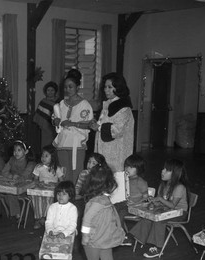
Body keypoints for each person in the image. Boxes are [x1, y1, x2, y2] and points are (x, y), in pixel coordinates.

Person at [80, 163, 126, 260]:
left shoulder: (105, 199)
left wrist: (118, 230)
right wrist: (85, 236)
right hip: (93, 240)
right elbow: (86, 219)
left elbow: (112, 216)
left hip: (106, 238)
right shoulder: (97, 202)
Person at [129, 158, 189, 259]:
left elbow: (173, 205)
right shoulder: (163, 185)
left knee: (159, 220)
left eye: (167, 170)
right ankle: (133, 237)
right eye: (163, 169)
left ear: (175, 173)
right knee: (149, 217)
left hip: (180, 213)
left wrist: (160, 199)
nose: (162, 171)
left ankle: (157, 247)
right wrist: (153, 202)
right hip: (167, 210)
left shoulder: (179, 187)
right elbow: (160, 201)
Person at [90, 72, 134, 203]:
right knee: (103, 180)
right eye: (105, 87)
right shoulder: (107, 105)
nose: (106, 90)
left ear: (118, 88)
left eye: (110, 87)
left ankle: (116, 211)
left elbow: (116, 130)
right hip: (104, 149)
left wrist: (98, 127)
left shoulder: (123, 108)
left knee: (116, 185)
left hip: (117, 152)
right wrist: (95, 124)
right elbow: (103, 124)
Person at [52, 69, 93, 183]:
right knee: (63, 170)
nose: (67, 90)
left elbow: (89, 125)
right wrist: (55, 120)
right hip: (63, 142)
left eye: (71, 87)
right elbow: (55, 118)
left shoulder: (85, 105)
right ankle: (65, 194)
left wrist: (72, 124)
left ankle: (77, 195)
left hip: (76, 144)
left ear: (77, 87)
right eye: (65, 87)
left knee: (77, 171)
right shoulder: (61, 104)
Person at [0, 140, 35, 222]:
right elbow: (4, 171)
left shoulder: (30, 163)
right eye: (14, 150)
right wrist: (11, 176)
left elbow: (25, 176)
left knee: (10, 193)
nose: (16, 152)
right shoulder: (12, 159)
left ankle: (18, 216)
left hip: (24, 187)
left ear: (26, 151)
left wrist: (16, 179)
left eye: (19, 150)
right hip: (11, 183)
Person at [115, 154, 149, 242]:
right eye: (126, 166)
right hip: (123, 204)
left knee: (119, 214)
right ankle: (115, 233)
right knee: (112, 210)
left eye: (131, 167)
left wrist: (135, 203)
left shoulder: (141, 182)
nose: (127, 169)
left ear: (139, 169)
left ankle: (121, 235)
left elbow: (146, 199)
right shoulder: (123, 179)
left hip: (134, 207)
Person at [31, 145, 65, 229]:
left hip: (51, 191)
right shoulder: (39, 167)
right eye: (42, 155)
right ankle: (38, 218)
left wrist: (54, 184)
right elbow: (35, 180)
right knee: (36, 198)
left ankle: (46, 218)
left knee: (49, 200)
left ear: (52, 157)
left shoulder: (57, 168)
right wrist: (39, 183)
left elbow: (62, 181)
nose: (43, 158)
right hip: (41, 190)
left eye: (46, 156)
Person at [33, 81, 59, 147]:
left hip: (55, 128)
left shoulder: (59, 102)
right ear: (45, 91)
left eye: (52, 90)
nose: (50, 92)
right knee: (45, 144)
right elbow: (38, 115)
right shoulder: (43, 101)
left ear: (55, 91)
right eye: (48, 90)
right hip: (44, 128)